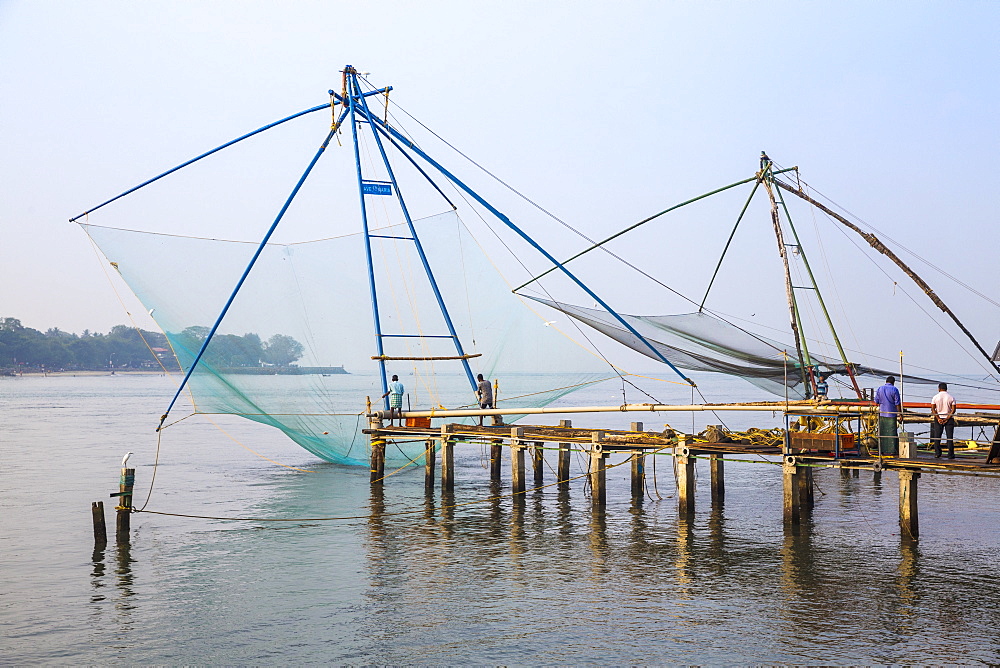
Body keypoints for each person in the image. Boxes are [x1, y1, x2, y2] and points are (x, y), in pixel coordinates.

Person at [874, 375, 901, 456]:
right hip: (892, 414)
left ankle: (882, 450)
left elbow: (876, 401)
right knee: (892, 432)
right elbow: (897, 403)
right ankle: (892, 450)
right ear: (893, 382)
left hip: (882, 413)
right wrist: (900, 414)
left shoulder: (880, 388)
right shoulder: (894, 389)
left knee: (882, 432)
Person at [930, 382, 957, 459]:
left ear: (939, 389)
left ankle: (937, 453)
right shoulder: (951, 397)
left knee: (937, 436)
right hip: (949, 418)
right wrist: (947, 418)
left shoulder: (935, 397)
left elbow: (933, 409)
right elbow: (953, 409)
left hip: (938, 418)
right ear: (946, 389)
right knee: (949, 437)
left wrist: (938, 418)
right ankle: (950, 454)